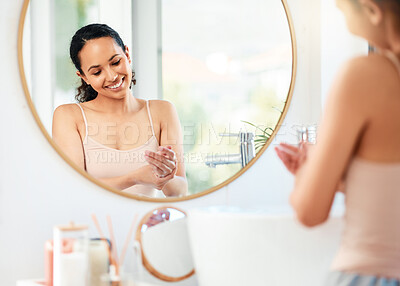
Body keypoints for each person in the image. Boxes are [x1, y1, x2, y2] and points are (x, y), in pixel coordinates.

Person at [275, 0, 400, 285]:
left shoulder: (364, 75)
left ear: (372, 10)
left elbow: (310, 211)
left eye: (342, 6)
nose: (337, 9)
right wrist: (343, 180)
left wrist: (308, 171)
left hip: (372, 274)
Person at [52, 23, 188, 198]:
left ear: (127, 55)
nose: (112, 76)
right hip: (94, 224)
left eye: (116, 62)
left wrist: (166, 175)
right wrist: (135, 178)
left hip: (146, 224)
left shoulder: (162, 111)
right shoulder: (69, 116)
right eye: (96, 72)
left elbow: (179, 191)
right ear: (84, 77)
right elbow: (75, 189)